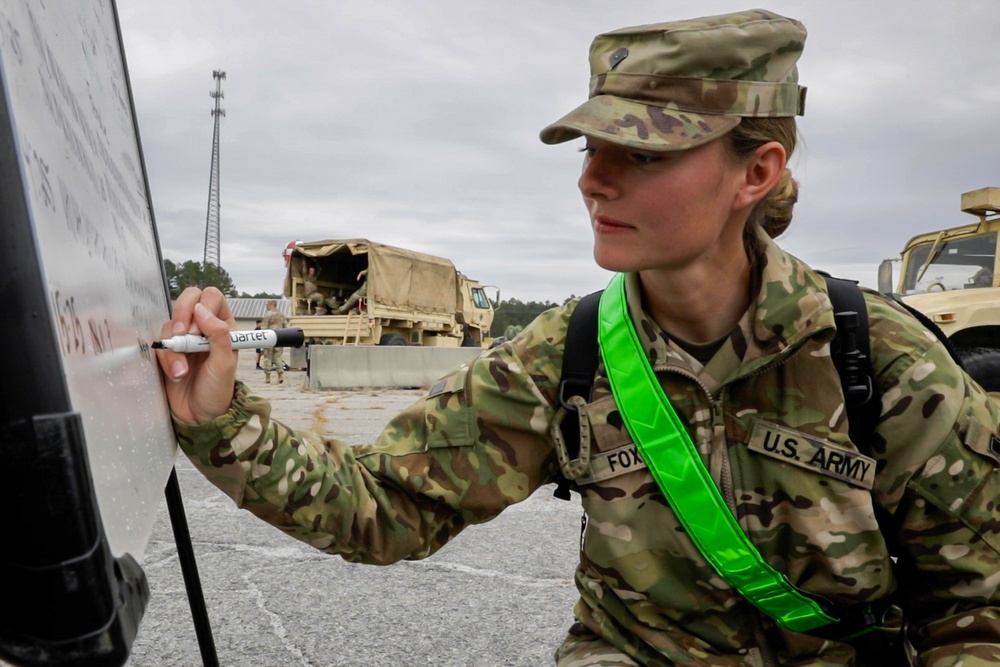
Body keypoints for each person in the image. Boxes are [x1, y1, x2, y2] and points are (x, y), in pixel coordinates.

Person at [156, 10, 1000, 666]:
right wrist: (223, 417)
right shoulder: (570, 354)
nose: (592, 180)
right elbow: (387, 508)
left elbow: (978, 606)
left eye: (643, 153)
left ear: (756, 171)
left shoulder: (882, 363)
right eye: (594, 147)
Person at [260, 299, 286, 384]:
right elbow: (285, 326)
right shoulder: (281, 314)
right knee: (278, 357)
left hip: (269, 338)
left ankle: (268, 376)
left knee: (267, 357)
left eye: (268, 305)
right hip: (280, 338)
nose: (267, 306)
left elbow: (264, 328)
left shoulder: (268, 314)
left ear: (272, 305)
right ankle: (280, 375)